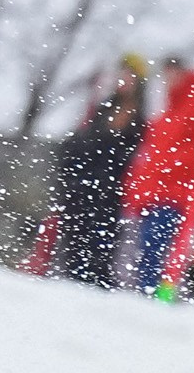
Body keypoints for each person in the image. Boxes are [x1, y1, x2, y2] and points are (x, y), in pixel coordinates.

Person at [120, 57, 194, 293]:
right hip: (154, 195)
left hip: (174, 196)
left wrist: (168, 163)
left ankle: (155, 295)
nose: (168, 81)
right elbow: (150, 155)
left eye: (172, 75)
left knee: (157, 252)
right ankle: (146, 294)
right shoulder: (169, 111)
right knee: (145, 253)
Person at [45, 64, 146, 287]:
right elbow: (85, 144)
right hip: (83, 189)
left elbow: (126, 156)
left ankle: (94, 284)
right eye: (121, 76)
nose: (123, 81)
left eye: (129, 77)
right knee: (75, 243)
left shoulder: (138, 120)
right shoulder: (104, 109)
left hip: (110, 194)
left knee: (101, 246)